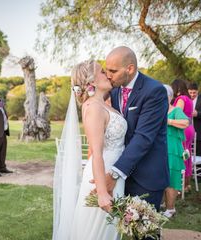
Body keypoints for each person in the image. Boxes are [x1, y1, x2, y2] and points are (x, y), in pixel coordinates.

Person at [53, 59, 127, 240]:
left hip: (114, 173)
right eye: (102, 72)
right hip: (103, 177)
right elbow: (96, 153)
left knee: (108, 231)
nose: (108, 74)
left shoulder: (103, 104)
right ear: (92, 81)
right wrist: (102, 193)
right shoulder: (93, 107)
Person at [106, 46, 169, 216]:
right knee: (124, 227)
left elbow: (143, 137)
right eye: (106, 70)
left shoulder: (154, 91)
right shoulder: (114, 88)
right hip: (123, 175)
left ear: (130, 68)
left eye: (113, 70)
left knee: (146, 233)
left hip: (147, 176)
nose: (108, 75)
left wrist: (114, 174)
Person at [163, 84, 189, 218]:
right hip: (160, 149)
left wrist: (169, 121)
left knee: (172, 178)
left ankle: (171, 208)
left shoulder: (175, 110)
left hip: (173, 149)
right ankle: (163, 204)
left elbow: (185, 122)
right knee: (161, 176)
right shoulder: (157, 110)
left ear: (169, 97)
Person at [171, 79, 194, 191]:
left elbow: (177, 112)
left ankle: (179, 186)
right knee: (187, 155)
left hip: (182, 128)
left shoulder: (181, 99)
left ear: (178, 89)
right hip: (189, 128)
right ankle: (187, 185)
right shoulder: (189, 99)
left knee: (180, 155)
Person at [188, 82, 201, 156]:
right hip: (188, 134)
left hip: (199, 135)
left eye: (194, 93)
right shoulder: (185, 100)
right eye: (190, 92)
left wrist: (198, 114)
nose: (192, 95)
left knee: (199, 159)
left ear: (198, 91)